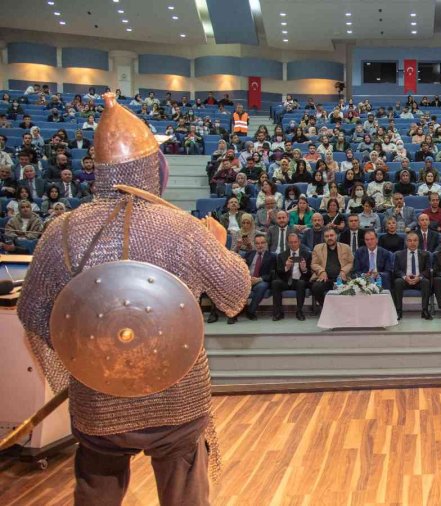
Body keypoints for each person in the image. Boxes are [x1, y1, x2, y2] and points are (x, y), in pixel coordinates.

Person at [17, 93, 250, 505]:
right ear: (149, 166)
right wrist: (221, 244)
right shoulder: (183, 228)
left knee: (96, 496)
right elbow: (235, 294)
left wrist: (90, 354)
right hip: (175, 398)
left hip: (98, 395)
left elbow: (35, 314)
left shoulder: (61, 230)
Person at [271, 232, 312, 321]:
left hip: (299, 281)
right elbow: (278, 273)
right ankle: (278, 312)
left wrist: (304, 269)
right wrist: (286, 267)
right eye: (291, 242)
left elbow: (310, 275)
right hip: (286, 281)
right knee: (275, 283)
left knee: (301, 283)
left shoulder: (307, 254)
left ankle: (299, 311)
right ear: (288, 243)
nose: (293, 244)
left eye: (295, 242)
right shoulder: (281, 255)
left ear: (299, 242)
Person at [310, 227, 353, 312]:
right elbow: (313, 264)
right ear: (324, 238)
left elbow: (350, 263)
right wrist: (321, 271)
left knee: (349, 288)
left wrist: (343, 271)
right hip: (325, 278)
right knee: (316, 287)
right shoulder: (317, 248)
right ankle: (327, 308)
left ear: (336, 236)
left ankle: (342, 310)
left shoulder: (346, 247)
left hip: (341, 278)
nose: (329, 238)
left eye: (331, 235)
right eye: (327, 236)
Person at [391, 233, 433, 320]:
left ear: (418, 242)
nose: (412, 243)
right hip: (405, 280)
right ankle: (398, 311)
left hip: (419, 280)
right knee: (397, 282)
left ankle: (425, 310)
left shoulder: (425, 254)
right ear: (406, 242)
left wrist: (419, 277)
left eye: (415, 240)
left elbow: (428, 270)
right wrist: (405, 277)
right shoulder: (399, 254)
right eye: (410, 240)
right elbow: (396, 270)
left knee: (426, 282)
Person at [240, 234, 276, 322]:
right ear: (254, 244)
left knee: (262, 286)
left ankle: (250, 311)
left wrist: (259, 279)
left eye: (262, 243)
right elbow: (240, 269)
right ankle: (234, 312)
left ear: (266, 244)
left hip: (260, 281)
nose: (260, 245)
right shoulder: (248, 254)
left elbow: (272, 275)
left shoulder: (272, 256)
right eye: (257, 243)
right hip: (247, 280)